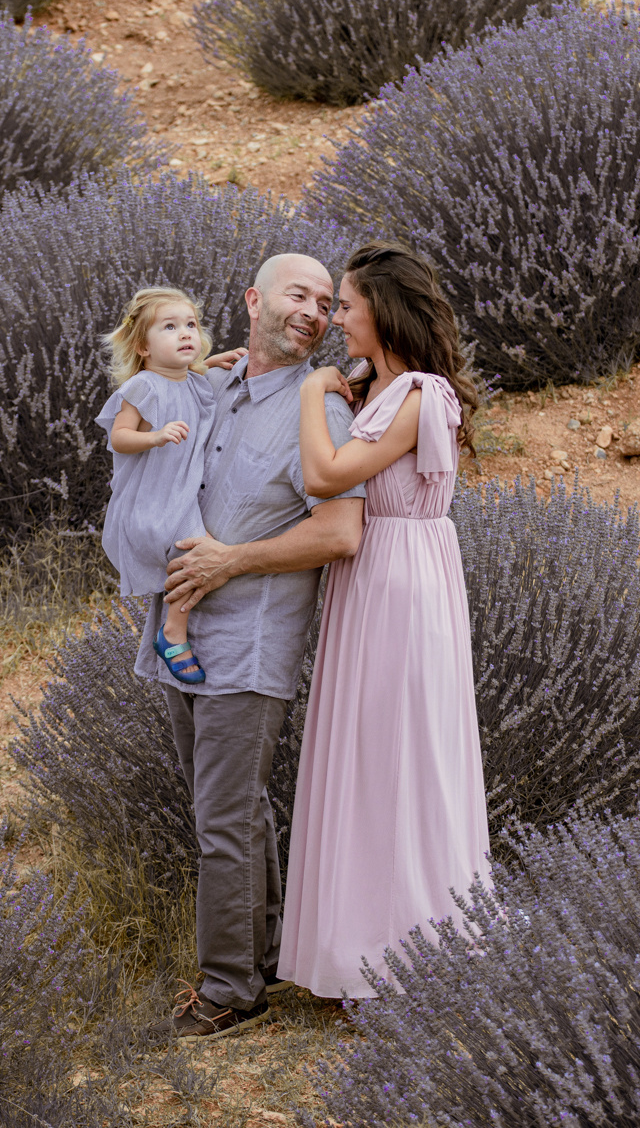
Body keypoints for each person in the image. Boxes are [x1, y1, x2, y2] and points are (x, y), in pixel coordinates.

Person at [145, 253, 365, 1042]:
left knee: (225, 818)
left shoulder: (322, 410)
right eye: (297, 293)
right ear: (252, 300)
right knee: (235, 810)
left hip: (249, 642)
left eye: (325, 301)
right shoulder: (210, 387)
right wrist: (204, 366)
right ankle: (263, 957)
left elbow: (340, 529)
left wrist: (232, 560)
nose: (312, 309)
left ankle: (227, 990)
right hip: (176, 632)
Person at [279, 242, 489, 1000]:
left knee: (402, 757)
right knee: (368, 759)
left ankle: (409, 959)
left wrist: (310, 394)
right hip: (371, 583)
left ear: (383, 311)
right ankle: (360, 951)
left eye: (345, 305)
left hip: (402, 586)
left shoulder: (422, 394)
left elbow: (325, 474)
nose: (336, 318)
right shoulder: (379, 388)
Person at [95, 287, 218, 684]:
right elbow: (120, 437)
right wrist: (156, 436)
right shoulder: (143, 386)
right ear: (143, 347)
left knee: (194, 557)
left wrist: (217, 362)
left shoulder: (194, 382)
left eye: (191, 325)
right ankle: (172, 633)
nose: (185, 334)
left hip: (180, 497)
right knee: (193, 556)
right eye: (169, 327)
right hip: (152, 499)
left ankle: (172, 631)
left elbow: (188, 380)